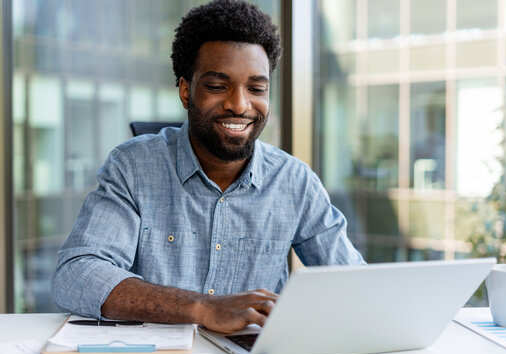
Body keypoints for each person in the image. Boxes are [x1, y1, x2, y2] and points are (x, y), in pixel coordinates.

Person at [52, 0, 365, 334]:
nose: (240, 105)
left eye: (256, 88)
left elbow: (355, 287)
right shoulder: (133, 167)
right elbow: (77, 274)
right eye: (217, 86)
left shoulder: (294, 181)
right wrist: (203, 308)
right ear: (186, 91)